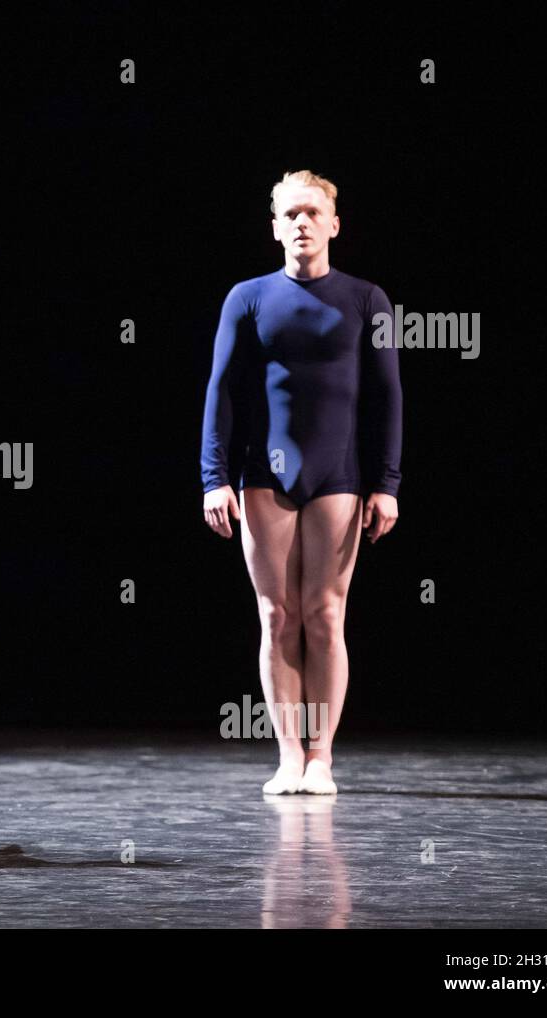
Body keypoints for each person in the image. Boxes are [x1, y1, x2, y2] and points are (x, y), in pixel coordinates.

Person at [199, 170, 401, 796]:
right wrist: (213, 477)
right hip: (264, 474)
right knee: (276, 615)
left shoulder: (369, 300)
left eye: (312, 212)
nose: (302, 223)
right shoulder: (248, 297)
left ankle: (323, 759)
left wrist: (387, 481)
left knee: (325, 614)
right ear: (275, 227)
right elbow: (221, 392)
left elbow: (388, 396)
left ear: (334, 223)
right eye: (290, 215)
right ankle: (289, 756)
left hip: (338, 474)